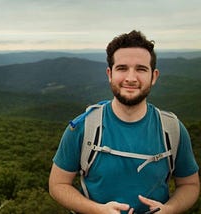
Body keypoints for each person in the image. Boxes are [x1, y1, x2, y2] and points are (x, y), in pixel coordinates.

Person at [49, 30, 200, 214]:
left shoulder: (172, 129)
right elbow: (58, 184)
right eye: (122, 68)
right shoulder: (82, 128)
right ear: (109, 74)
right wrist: (97, 210)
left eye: (141, 69)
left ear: (154, 76)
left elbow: (190, 184)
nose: (130, 78)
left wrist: (169, 209)